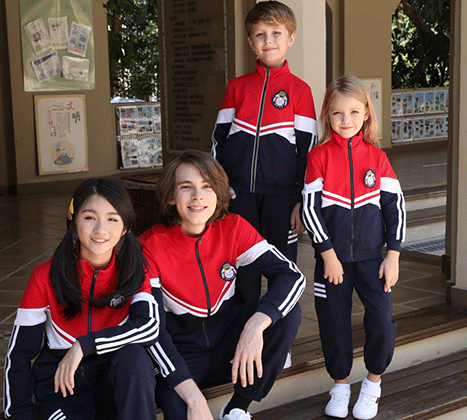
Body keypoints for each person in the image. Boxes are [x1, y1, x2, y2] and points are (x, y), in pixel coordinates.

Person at [141, 150, 305, 420]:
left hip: (228, 348)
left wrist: (255, 326)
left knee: (288, 313)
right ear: (171, 196)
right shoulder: (150, 246)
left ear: (219, 195)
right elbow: (152, 330)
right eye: (186, 187)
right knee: (178, 409)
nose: (198, 196)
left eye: (207, 187)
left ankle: (237, 408)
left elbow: (292, 275)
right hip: (179, 356)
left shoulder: (233, 228)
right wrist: (193, 396)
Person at [3, 178, 159, 420]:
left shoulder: (134, 271)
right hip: (62, 389)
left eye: (112, 219)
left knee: (135, 358)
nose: (100, 229)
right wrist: (19, 415)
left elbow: (149, 327)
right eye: (89, 217)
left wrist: (84, 345)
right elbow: (19, 356)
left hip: (111, 385)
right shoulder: (45, 277)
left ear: (125, 226)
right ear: (72, 218)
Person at [301, 75, 406, 420]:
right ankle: (341, 385)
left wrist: (393, 255)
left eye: (353, 112)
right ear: (327, 116)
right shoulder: (318, 157)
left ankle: (372, 385)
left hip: (372, 260)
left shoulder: (377, 158)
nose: (345, 120)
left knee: (381, 321)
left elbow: (395, 208)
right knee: (334, 323)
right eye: (337, 113)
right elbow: (310, 209)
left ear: (366, 114)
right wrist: (327, 254)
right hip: (331, 262)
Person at [211, 0, 317, 264]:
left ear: (291, 38)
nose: (268, 40)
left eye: (276, 33)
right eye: (260, 34)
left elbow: (308, 151)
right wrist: (219, 186)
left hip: (283, 199)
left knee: (282, 265)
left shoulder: (300, 90)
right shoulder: (236, 88)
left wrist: (301, 200)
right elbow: (218, 141)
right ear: (250, 41)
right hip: (238, 195)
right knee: (243, 264)